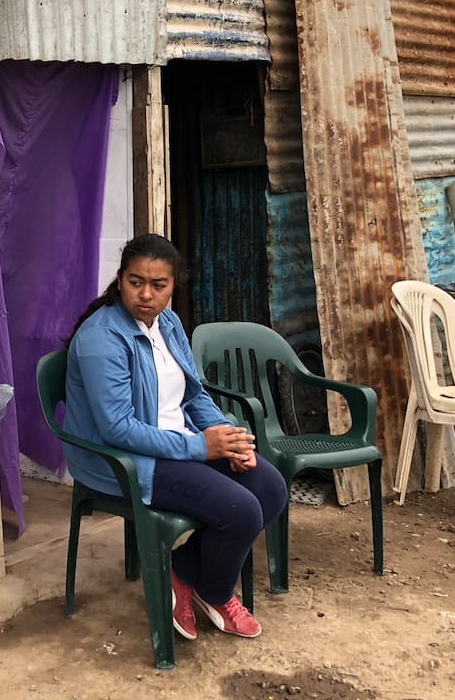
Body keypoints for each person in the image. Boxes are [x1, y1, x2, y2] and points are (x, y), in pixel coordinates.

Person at [62, 233, 287, 640]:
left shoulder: (167, 323)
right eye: (135, 282)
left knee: (270, 488)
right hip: (125, 460)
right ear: (120, 279)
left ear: (173, 287)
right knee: (241, 511)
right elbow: (118, 428)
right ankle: (215, 592)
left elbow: (194, 394)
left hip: (176, 444)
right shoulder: (101, 339)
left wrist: (229, 439)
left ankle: (182, 572)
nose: (146, 294)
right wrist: (201, 447)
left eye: (158, 285)